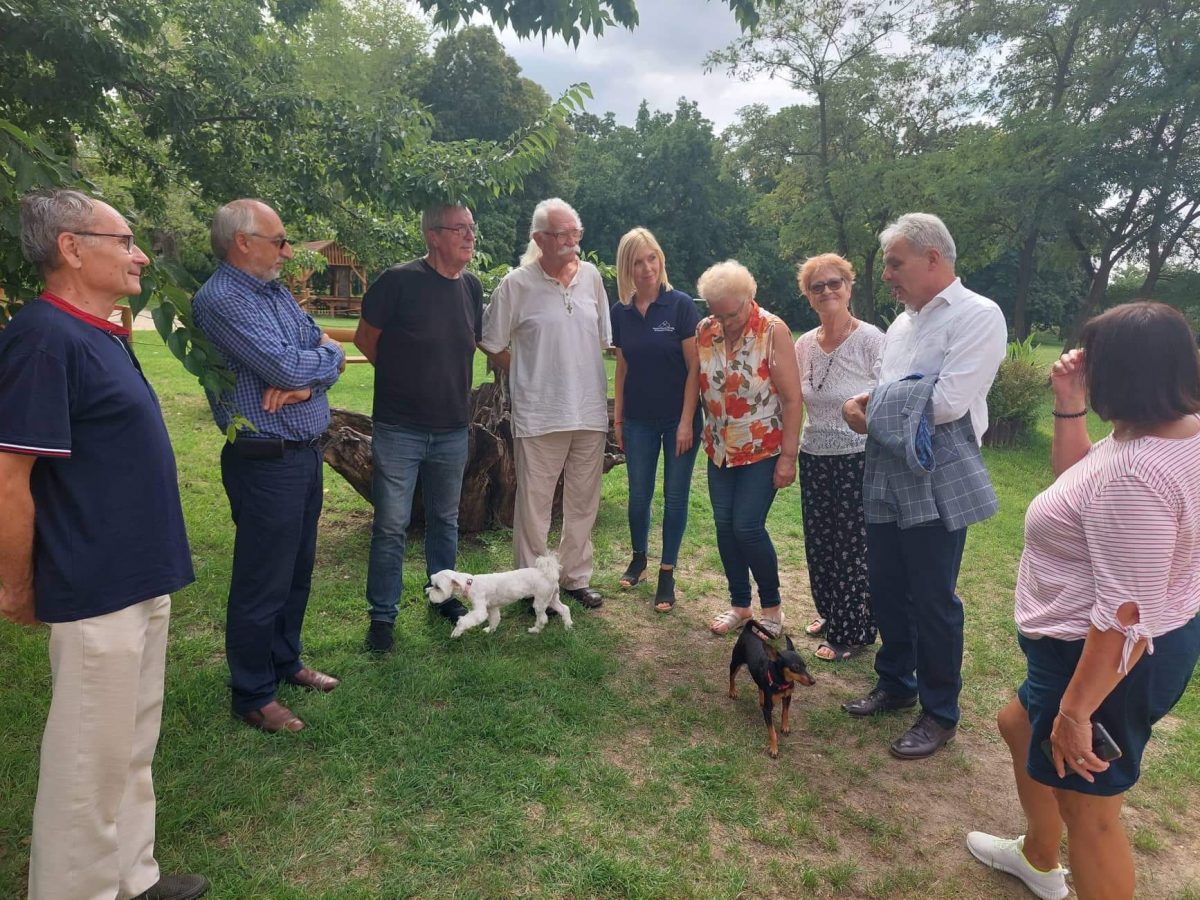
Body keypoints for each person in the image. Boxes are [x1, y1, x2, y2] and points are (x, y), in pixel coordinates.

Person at [0, 190, 206, 899]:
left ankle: (130, 876)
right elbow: (9, 478)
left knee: (129, 744)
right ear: (70, 247)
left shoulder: (98, 332)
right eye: (124, 241)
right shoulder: (42, 338)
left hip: (139, 572)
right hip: (93, 580)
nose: (140, 255)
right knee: (87, 760)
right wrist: (18, 585)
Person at [966, 302, 1200, 900]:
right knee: (1018, 723)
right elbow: (1078, 477)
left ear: (1122, 374)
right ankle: (1038, 857)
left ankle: (1050, 858)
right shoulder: (1170, 433)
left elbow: (1125, 618)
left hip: (1103, 661)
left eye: (1092, 362)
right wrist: (1069, 402)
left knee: (1090, 814)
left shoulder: (1138, 476)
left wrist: (1075, 715)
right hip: (1123, 645)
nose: (1083, 368)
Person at [841, 212, 1007, 759]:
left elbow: (947, 402)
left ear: (932, 258)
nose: (887, 275)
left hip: (938, 470)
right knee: (887, 584)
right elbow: (898, 393)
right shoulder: (901, 325)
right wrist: (870, 405)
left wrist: (867, 411)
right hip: (887, 463)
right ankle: (896, 682)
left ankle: (940, 712)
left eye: (895, 264)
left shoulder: (978, 314)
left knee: (933, 597)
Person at [192, 198, 345, 734]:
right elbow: (283, 363)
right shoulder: (222, 300)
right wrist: (310, 367)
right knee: (263, 579)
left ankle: (284, 660)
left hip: (303, 454)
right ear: (242, 242)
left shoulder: (274, 292)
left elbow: (325, 351)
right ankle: (253, 693)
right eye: (279, 241)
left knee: (297, 570)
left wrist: (308, 382)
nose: (288, 252)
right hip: (265, 461)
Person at [353, 204, 483, 653]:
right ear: (433, 235)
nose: (469, 236)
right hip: (400, 428)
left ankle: (442, 597)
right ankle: (382, 617)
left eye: (471, 228)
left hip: (452, 429)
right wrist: (402, 382)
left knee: (446, 521)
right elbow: (365, 339)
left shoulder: (471, 287)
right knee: (391, 525)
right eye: (459, 229)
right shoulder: (398, 281)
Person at [479, 198, 611, 610]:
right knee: (534, 506)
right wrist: (526, 371)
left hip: (589, 411)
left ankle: (574, 578)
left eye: (576, 233)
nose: (572, 241)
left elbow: (603, 340)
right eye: (562, 234)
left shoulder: (591, 278)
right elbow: (490, 341)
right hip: (540, 413)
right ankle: (532, 584)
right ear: (539, 239)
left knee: (583, 501)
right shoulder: (516, 284)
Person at [696, 260, 804, 637]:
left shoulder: (773, 331)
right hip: (719, 449)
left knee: (747, 526)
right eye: (718, 314)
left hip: (762, 448)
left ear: (749, 297)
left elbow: (792, 399)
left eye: (733, 313)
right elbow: (699, 383)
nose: (726, 322)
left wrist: (788, 457)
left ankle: (772, 608)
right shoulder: (705, 330)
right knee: (725, 528)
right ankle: (740, 604)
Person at [793, 254, 884, 661]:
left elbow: (887, 393)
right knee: (820, 543)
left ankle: (853, 631)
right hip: (814, 455)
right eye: (818, 286)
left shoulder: (870, 339)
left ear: (849, 288)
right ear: (808, 296)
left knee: (851, 546)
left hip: (856, 457)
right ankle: (831, 612)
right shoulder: (804, 344)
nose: (827, 291)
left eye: (835, 283)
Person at [611, 228, 701, 612]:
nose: (647, 267)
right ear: (626, 267)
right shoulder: (621, 312)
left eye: (652, 258)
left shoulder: (680, 306)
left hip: (679, 419)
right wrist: (618, 419)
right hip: (638, 420)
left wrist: (686, 421)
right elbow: (622, 367)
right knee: (638, 496)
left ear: (660, 259)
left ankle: (667, 571)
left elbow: (695, 367)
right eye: (637, 261)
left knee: (675, 496)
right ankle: (639, 558)